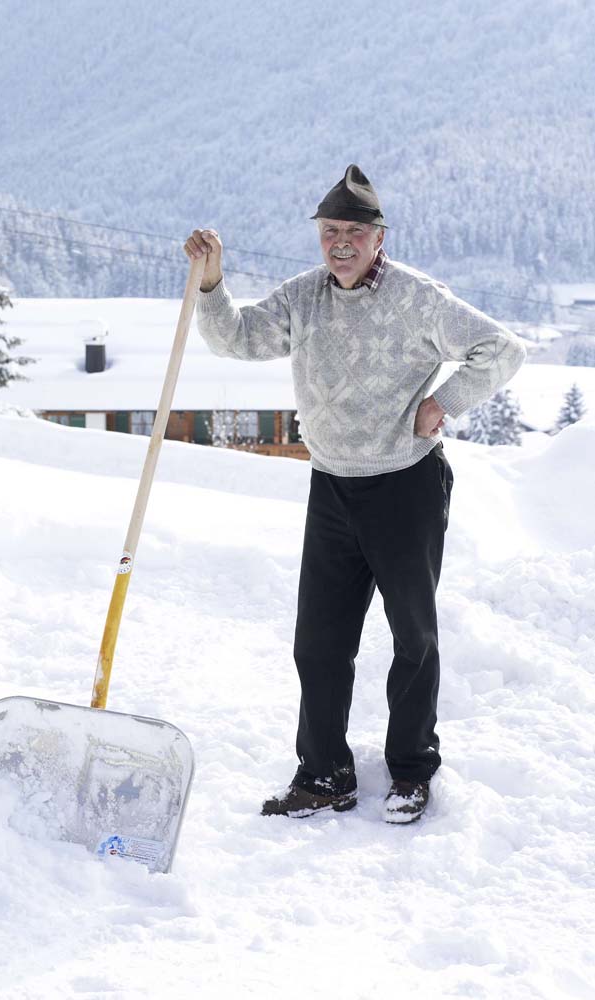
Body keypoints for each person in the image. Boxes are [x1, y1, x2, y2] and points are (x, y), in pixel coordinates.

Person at [184, 165, 526, 824]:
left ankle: (409, 772)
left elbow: (500, 349)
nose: (338, 242)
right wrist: (212, 280)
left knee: (412, 639)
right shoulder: (304, 296)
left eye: (352, 232)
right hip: (331, 485)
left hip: (404, 487)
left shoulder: (415, 298)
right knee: (317, 642)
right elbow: (235, 338)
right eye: (328, 231)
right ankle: (323, 774)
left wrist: (444, 400)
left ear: (377, 237)